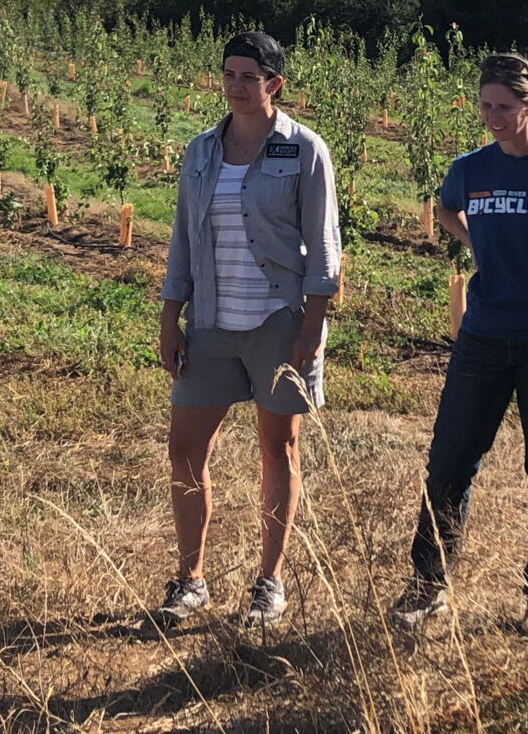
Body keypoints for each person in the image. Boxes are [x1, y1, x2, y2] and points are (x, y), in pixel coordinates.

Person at [391, 53, 528, 636]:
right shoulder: (470, 168)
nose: (493, 118)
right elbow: (445, 206)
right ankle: (427, 584)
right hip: (483, 335)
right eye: (485, 106)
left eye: (505, 108)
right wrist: (474, 240)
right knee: (450, 460)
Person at [150, 31, 341, 631]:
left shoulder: (304, 149)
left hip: (277, 321)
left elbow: (324, 247)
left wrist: (312, 323)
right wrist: (169, 314)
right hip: (209, 319)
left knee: (277, 446)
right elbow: (183, 235)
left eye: (249, 76)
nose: (235, 86)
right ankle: (191, 578)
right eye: (229, 74)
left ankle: (269, 581)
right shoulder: (201, 150)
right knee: (185, 450)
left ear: (274, 85)